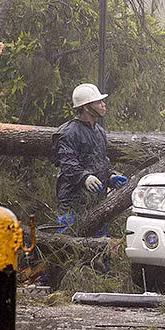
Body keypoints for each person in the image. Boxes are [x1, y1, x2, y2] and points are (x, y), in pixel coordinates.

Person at [52, 83, 128, 236]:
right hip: (72, 205)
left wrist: (110, 176)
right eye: (98, 102)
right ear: (86, 107)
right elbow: (67, 164)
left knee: (98, 251)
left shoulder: (99, 131)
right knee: (70, 249)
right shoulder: (68, 132)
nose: (103, 105)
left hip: (97, 204)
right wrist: (84, 178)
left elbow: (101, 161)